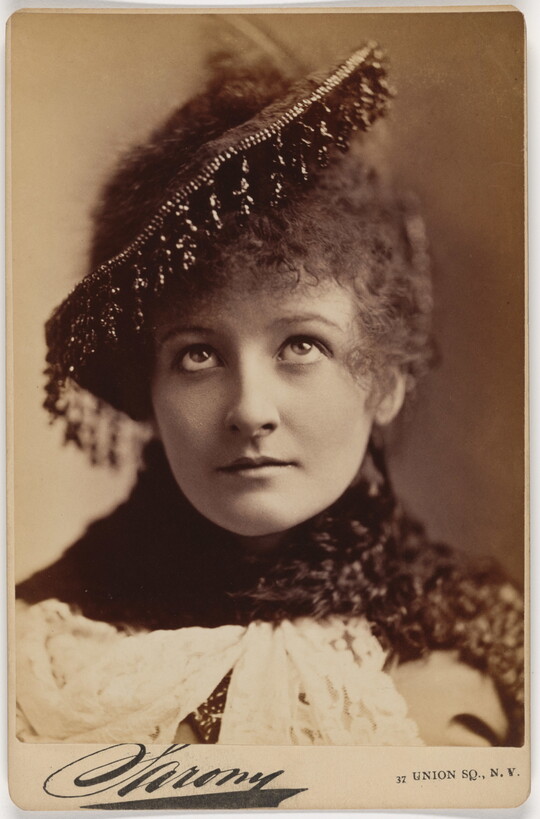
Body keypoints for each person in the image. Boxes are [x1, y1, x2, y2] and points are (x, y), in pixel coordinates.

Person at [15, 42, 523, 746]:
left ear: (387, 380)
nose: (251, 409)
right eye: (197, 355)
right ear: (149, 393)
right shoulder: (42, 649)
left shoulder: (485, 641)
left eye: (301, 346)